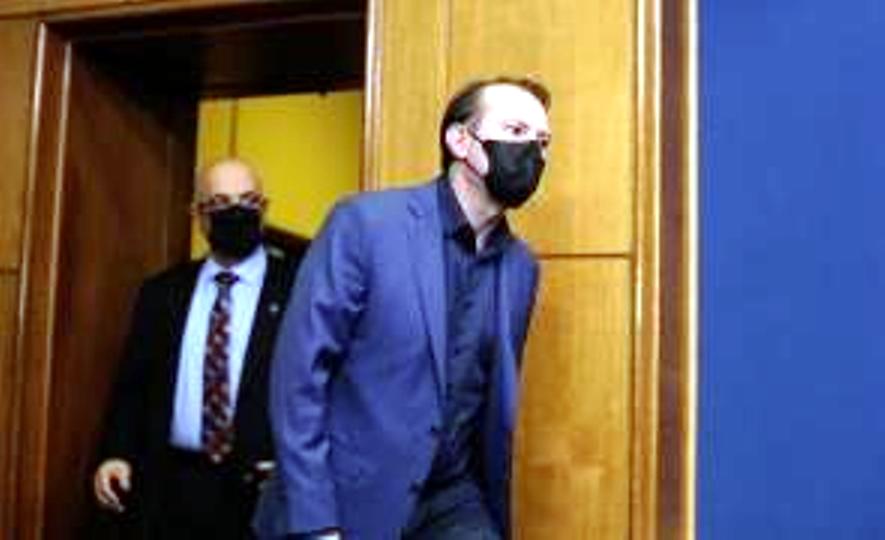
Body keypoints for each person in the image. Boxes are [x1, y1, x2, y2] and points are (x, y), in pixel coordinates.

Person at [253, 76, 552, 540]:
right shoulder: (365, 224)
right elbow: (299, 376)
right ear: (460, 140)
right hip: (348, 499)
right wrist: (316, 522)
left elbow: (487, 401)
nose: (533, 151)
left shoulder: (521, 267)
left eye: (543, 141)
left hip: (452, 500)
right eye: (516, 131)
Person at [92, 158, 307, 539]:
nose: (236, 212)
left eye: (248, 200)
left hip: (263, 491)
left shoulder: (300, 289)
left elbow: (325, 386)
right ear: (198, 215)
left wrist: (296, 463)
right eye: (220, 202)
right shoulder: (162, 292)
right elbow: (133, 384)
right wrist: (116, 453)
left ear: (264, 209)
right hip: (172, 488)